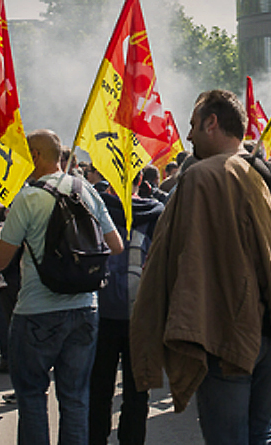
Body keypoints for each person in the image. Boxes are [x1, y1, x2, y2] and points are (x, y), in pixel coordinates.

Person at [130, 90, 271, 445]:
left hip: (227, 332)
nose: (188, 136)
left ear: (212, 122)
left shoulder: (201, 177)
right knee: (262, 434)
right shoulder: (265, 171)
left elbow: (179, 257)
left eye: (192, 125)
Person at [0, 129, 123, 445]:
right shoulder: (87, 190)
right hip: (85, 307)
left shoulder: (28, 197)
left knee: (33, 396)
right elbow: (114, 245)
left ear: (35, 155)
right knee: (75, 397)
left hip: (37, 311)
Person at [89, 170, 163, 445]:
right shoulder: (155, 213)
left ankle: (95, 438)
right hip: (142, 315)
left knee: (98, 388)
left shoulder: (93, 209)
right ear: (141, 181)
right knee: (137, 391)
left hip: (100, 310)